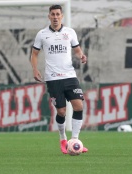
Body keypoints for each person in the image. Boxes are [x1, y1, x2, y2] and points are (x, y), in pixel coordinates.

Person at [30, 4, 88, 154]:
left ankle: (74, 140)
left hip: (70, 75)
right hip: (53, 78)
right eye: (53, 14)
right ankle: (63, 138)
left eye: (58, 14)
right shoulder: (42, 34)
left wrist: (81, 55)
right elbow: (35, 54)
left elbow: (76, 49)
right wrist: (35, 69)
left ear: (62, 16)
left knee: (79, 106)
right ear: (49, 16)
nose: (55, 17)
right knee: (61, 111)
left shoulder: (70, 32)